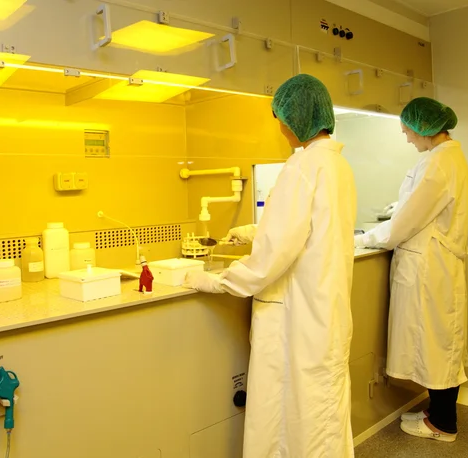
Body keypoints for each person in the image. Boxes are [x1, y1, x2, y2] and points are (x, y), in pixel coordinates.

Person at [184, 74, 357, 458]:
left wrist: (218, 281)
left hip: (297, 315)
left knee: (294, 415)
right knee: (319, 410)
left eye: (281, 117)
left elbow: (272, 257)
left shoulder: (301, 167)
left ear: (297, 118)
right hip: (324, 310)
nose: (280, 127)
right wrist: (253, 231)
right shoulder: (335, 165)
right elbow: (308, 228)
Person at [355, 97, 468, 442]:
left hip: (430, 269)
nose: (406, 138)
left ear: (423, 128)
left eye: (407, 131)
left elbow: (403, 222)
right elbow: (415, 207)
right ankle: (437, 413)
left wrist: (361, 240)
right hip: (435, 265)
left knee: (436, 344)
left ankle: (443, 425)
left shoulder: (438, 163)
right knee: (440, 342)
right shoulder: (448, 157)